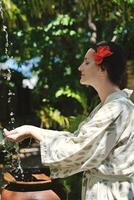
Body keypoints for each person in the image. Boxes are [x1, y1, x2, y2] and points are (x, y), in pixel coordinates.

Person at [4, 41, 134, 200]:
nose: (80, 67)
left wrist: (33, 131)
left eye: (86, 62)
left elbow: (77, 149)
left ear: (103, 69)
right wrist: (33, 130)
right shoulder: (108, 107)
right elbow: (77, 139)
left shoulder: (116, 109)